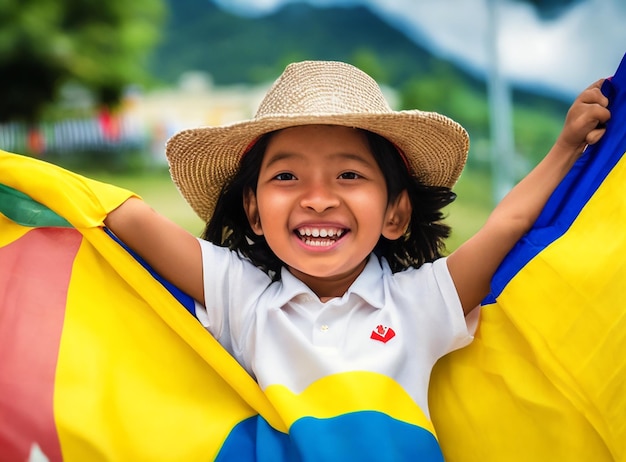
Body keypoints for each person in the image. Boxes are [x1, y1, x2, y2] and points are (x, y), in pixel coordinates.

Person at [104, 60, 609, 447]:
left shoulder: (421, 303)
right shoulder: (243, 298)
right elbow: (127, 219)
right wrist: (36, 187)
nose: (318, 197)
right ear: (254, 213)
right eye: (286, 176)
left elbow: (510, 224)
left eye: (349, 174)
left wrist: (566, 147)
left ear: (396, 214)